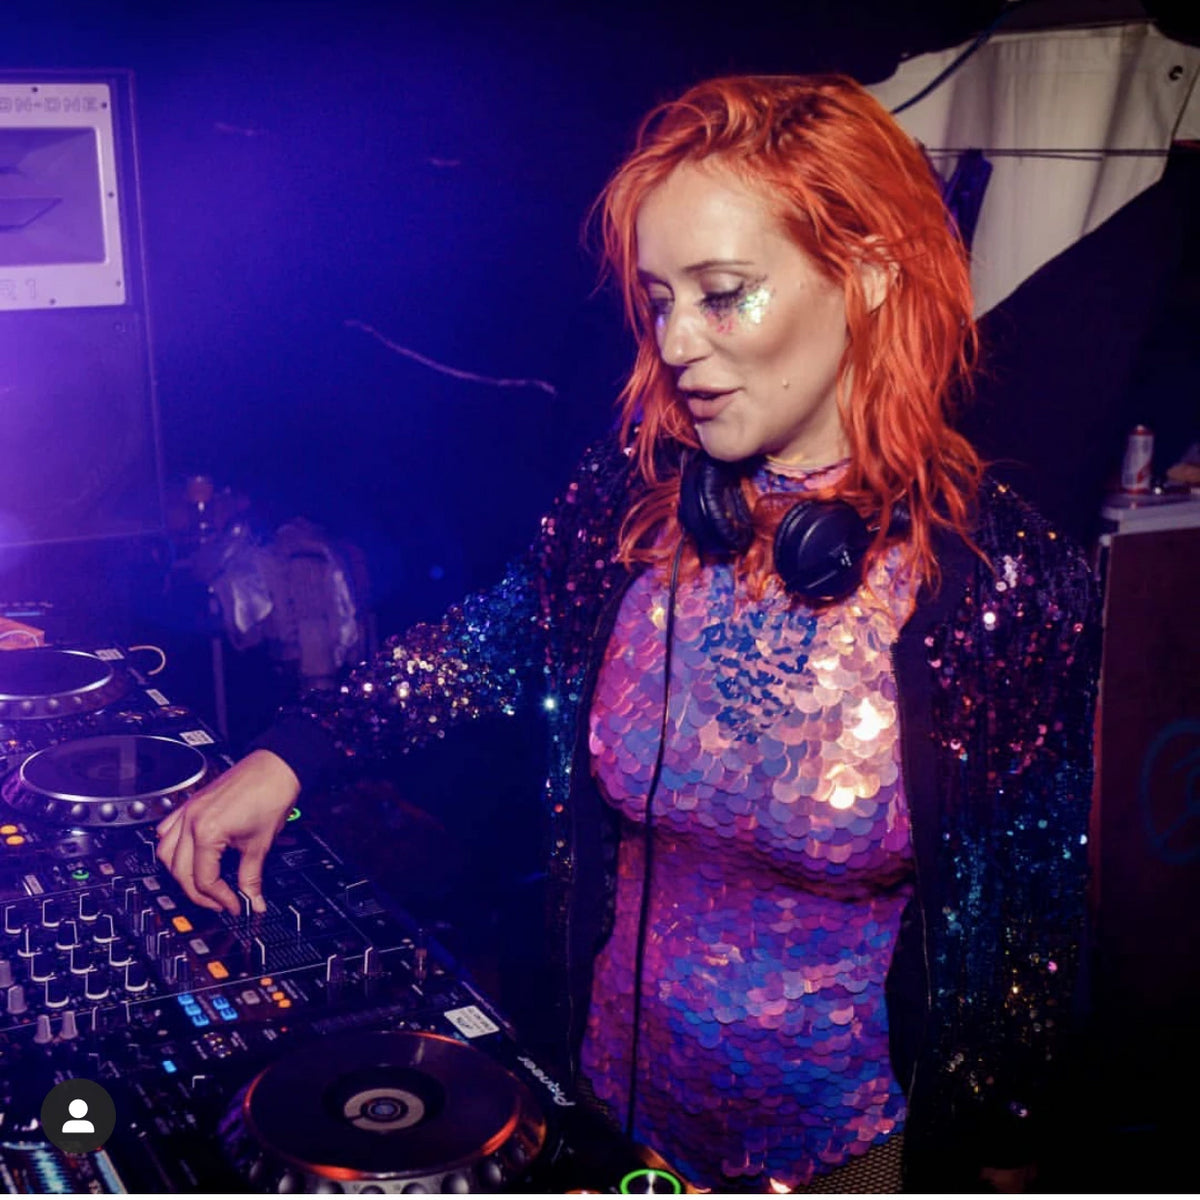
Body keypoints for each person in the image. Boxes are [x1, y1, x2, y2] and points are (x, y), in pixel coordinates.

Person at [156, 75, 1099, 1193]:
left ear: (870, 272)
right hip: (607, 1110)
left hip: (853, 1158)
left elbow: (1031, 949)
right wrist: (289, 752)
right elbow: (488, 641)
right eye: (659, 300)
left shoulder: (1003, 585)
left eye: (724, 293)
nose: (679, 341)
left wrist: (996, 1166)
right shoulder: (636, 503)